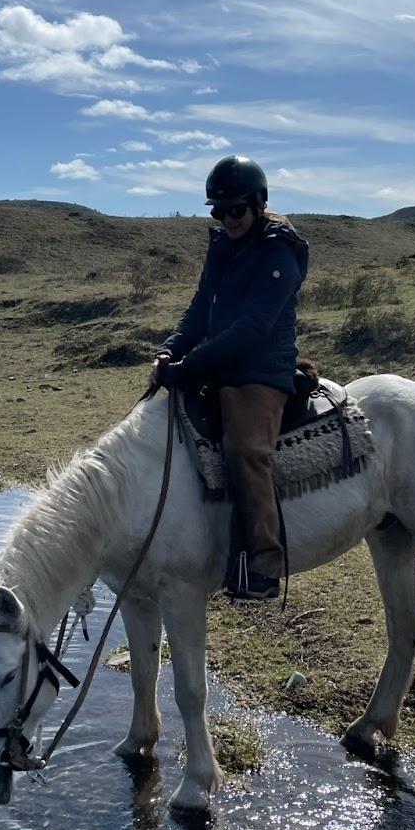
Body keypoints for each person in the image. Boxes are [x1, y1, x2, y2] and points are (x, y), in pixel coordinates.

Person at [148, 155, 309, 601]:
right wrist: (169, 349)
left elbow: (254, 328)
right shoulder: (222, 245)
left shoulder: (279, 252)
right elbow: (202, 307)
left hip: (261, 369)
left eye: (235, 209)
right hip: (222, 362)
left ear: (258, 204)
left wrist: (189, 367)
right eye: (218, 211)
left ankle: (263, 563)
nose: (227, 218)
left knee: (245, 449)